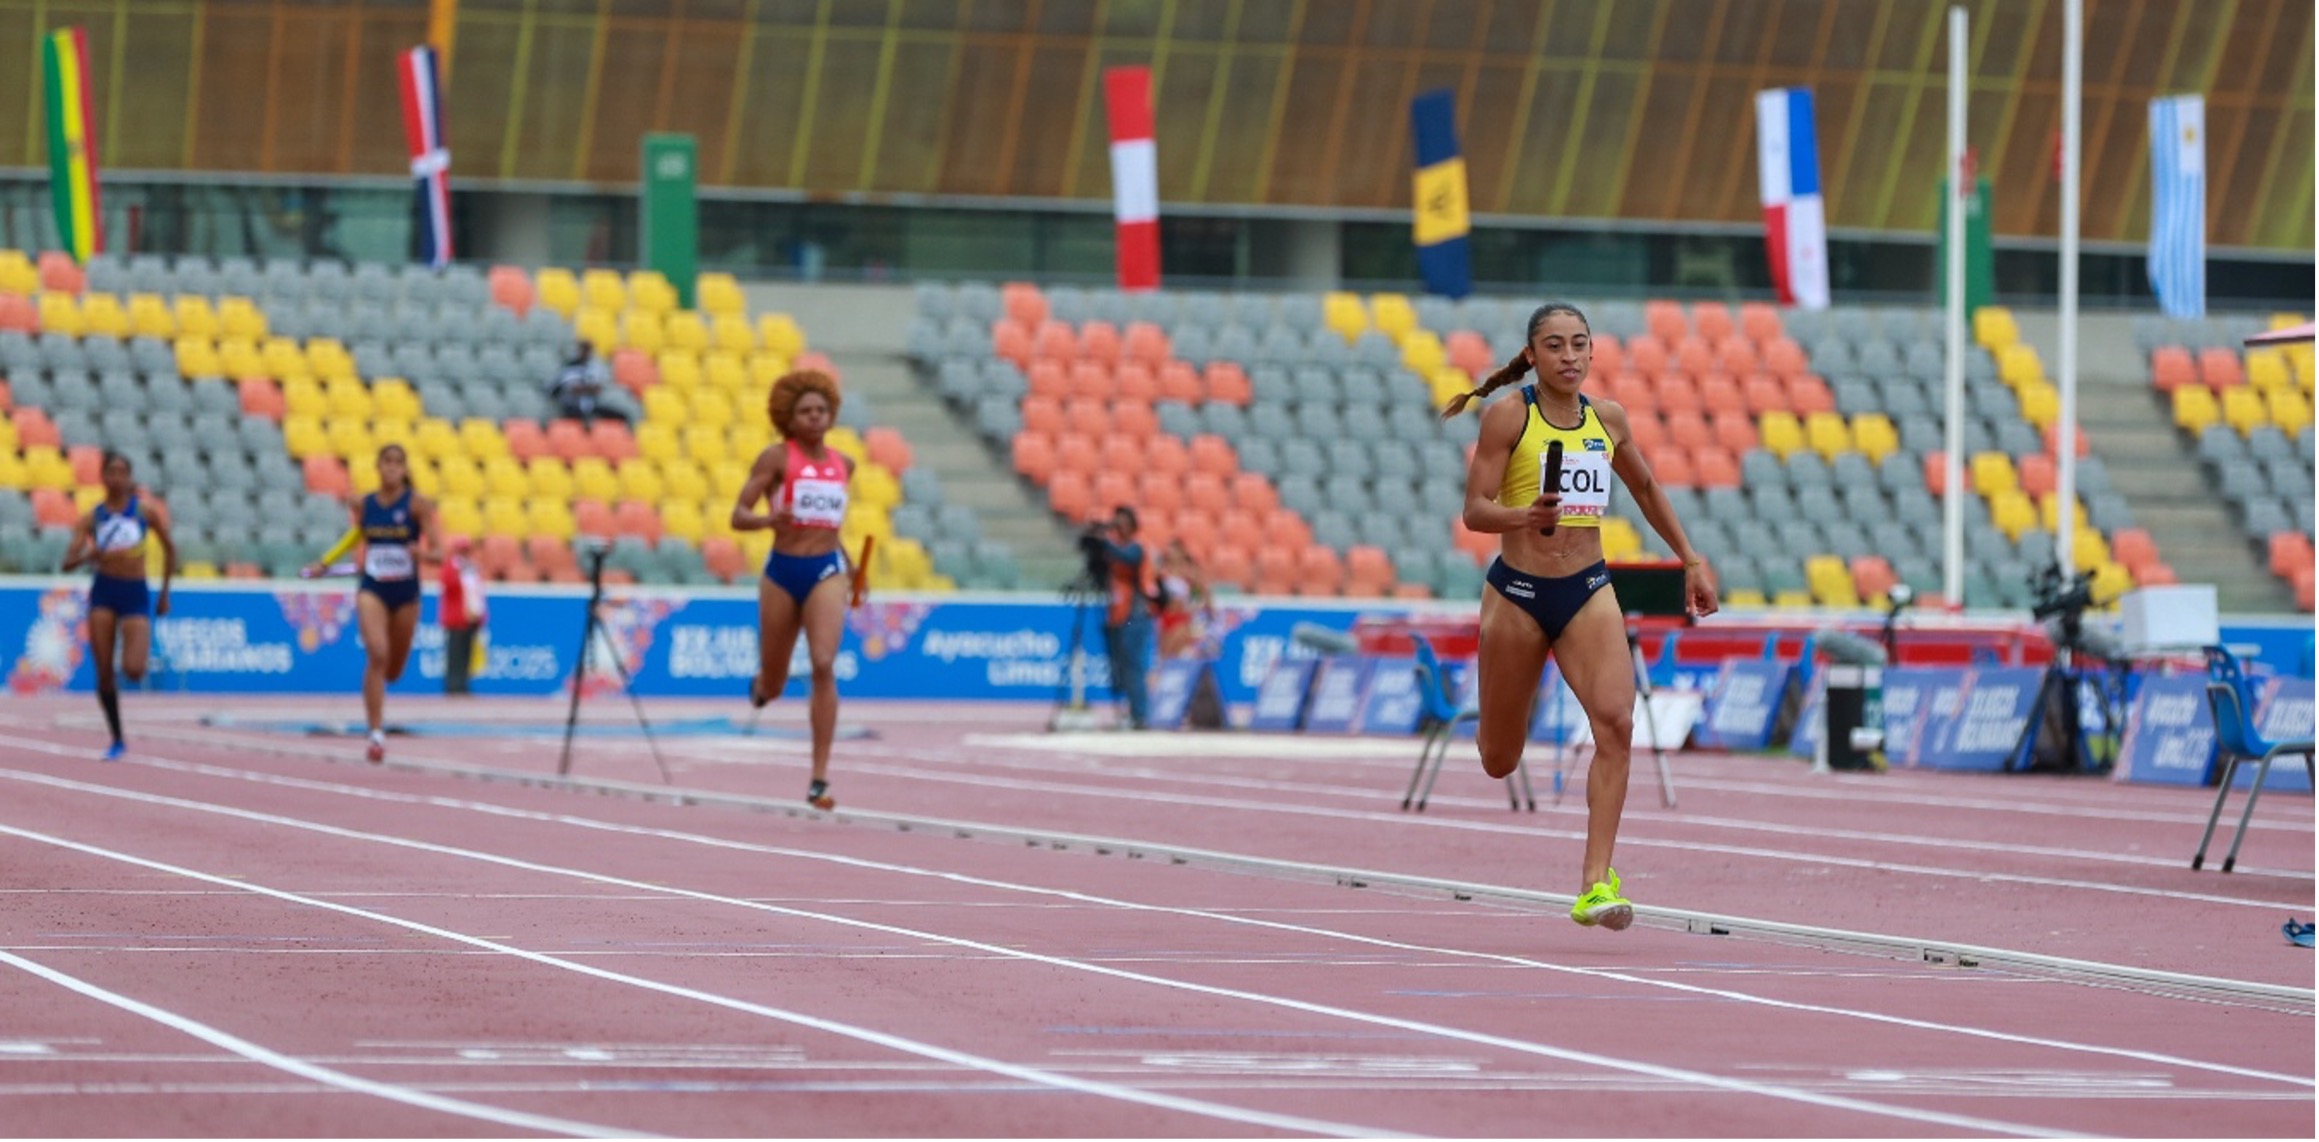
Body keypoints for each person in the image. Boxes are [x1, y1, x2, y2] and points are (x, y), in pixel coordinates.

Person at [1444, 300, 1718, 932]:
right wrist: (1525, 518)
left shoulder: (1608, 420)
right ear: (1533, 356)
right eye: (1556, 346)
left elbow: (1646, 489)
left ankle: (1595, 882)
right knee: (1498, 759)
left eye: (1580, 345)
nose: (1570, 357)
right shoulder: (1509, 417)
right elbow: (1475, 511)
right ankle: (1500, 725)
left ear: (1593, 353)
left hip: (1588, 589)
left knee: (1617, 724)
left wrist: (1690, 561)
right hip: (1517, 593)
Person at [732, 369, 853, 811]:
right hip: (783, 572)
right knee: (778, 681)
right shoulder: (775, 459)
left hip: (826, 570)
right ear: (789, 417)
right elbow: (738, 514)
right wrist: (768, 521)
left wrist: (853, 567)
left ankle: (819, 778)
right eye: (806, 412)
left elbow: (831, 528)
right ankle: (763, 684)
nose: (816, 418)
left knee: (823, 663)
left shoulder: (845, 465)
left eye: (822, 410)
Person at [306, 443, 436, 764]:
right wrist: (326, 561)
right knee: (377, 652)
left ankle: (379, 711)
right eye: (386, 462)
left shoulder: (418, 506)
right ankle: (375, 734)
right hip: (373, 587)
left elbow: (440, 552)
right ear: (378, 468)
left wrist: (422, 554)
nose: (391, 468)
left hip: (406, 593)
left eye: (397, 463)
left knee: (393, 670)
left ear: (405, 470)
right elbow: (356, 537)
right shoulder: (366, 505)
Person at [59, 451, 176, 760]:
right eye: (111, 471)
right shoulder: (92, 518)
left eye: (123, 471)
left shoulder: (145, 513)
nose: (117, 477)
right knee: (104, 674)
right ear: (103, 477)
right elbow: (67, 563)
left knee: (134, 670)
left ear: (129, 477)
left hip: (135, 592)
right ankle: (117, 737)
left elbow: (170, 549)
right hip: (104, 592)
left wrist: (165, 593)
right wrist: (89, 557)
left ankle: (130, 641)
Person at [1088, 506, 1155, 729]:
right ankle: (1129, 712)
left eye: (1123, 522)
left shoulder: (1137, 546)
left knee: (1133, 666)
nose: (1119, 526)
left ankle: (1140, 715)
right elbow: (1100, 573)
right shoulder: (1113, 550)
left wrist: (1103, 541)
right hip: (1117, 613)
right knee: (1120, 667)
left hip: (1135, 615)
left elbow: (1128, 557)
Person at [437, 534, 487, 696]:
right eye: (461, 550)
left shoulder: (472, 568)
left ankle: (463, 684)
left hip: (471, 617)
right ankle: (452, 685)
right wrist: (460, 574)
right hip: (455, 618)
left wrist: (480, 615)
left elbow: (478, 592)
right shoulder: (451, 566)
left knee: (467, 653)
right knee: (454, 652)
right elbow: (448, 584)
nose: (464, 553)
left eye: (466, 550)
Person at [546, 341, 628, 427]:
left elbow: (597, 388)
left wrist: (585, 389)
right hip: (570, 407)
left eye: (587, 350)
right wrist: (585, 389)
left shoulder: (595, 367)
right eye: (582, 350)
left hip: (592, 407)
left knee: (620, 417)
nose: (585, 353)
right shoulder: (568, 367)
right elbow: (566, 389)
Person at [1154, 538, 1212, 659]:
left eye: (1174, 551)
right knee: (1162, 651)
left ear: (1181, 553)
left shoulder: (1189, 572)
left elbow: (1203, 593)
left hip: (1182, 618)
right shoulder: (1162, 572)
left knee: (1172, 652)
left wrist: (1203, 608)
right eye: (1169, 551)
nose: (1171, 554)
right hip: (1165, 616)